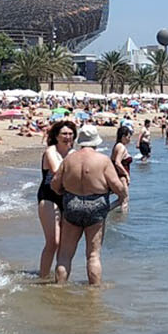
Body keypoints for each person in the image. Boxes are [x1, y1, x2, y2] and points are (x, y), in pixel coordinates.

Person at [49, 125, 127, 286]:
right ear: (96, 142)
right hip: (96, 205)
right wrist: (121, 197)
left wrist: (66, 192)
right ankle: (94, 294)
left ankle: (59, 289)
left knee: (65, 254)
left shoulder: (69, 160)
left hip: (72, 203)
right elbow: (118, 187)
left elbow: (54, 185)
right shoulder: (103, 160)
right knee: (93, 255)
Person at [32, 120, 76, 279]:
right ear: (56, 136)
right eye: (64, 134)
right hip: (48, 196)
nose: (68, 137)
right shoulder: (51, 151)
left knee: (64, 245)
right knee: (53, 241)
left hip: (67, 196)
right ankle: (42, 277)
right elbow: (57, 171)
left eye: (71, 134)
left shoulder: (73, 153)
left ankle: (59, 279)